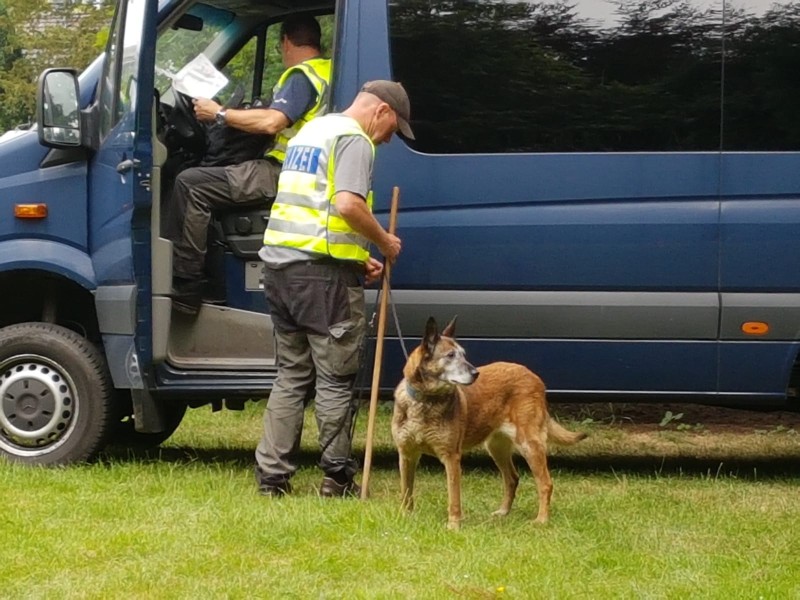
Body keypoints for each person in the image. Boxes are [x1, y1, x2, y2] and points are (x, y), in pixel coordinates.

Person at [254, 80, 415, 498]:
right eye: (393, 129)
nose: (388, 139)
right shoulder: (354, 140)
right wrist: (383, 241)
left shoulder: (312, 131)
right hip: (322, 281)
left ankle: (272, 479)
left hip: (279, 269)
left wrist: (357, 257)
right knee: (334, 379)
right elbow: (346, 203)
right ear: (380, 111)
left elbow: (312, 211)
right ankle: (337, 477)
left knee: (290, 375)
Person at [166, 14, 332, 315]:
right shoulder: (328, 71)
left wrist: (220, 114)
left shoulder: (302, 76)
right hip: (307, 170)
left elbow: (272, 122)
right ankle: (216, 282)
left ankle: (187, 290)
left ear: (285, 42)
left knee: (190, 184)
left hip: (285, 171)